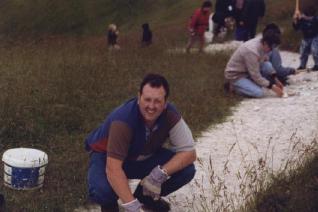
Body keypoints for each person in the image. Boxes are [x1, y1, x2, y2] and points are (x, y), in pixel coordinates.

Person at [85, 74, 196, 212]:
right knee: (103, 191)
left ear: (165, 102)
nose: (151, 106)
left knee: (187, 170)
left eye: (157, 101)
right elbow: (113, 169)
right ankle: (110, 206)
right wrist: (132, 206)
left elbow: (189, 153)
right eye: (147, 99)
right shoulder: (123, 120)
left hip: (140, 157)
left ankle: (146, 198)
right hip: (107, 157)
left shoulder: (171, 115)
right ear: (139, 97)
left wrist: (159, 174)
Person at [224, 25, 284, 98]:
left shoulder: (262, 43)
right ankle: (232, 86)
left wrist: (276, 80)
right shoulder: (252, 51)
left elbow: (266, 61)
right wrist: (273, 87)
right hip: (236, 75)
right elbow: (256, 76)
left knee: (267, 65)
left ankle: (249, 83)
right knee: (259, 93)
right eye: (271, 48)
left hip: (247, 71)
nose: (271, 50)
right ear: (265, 43)